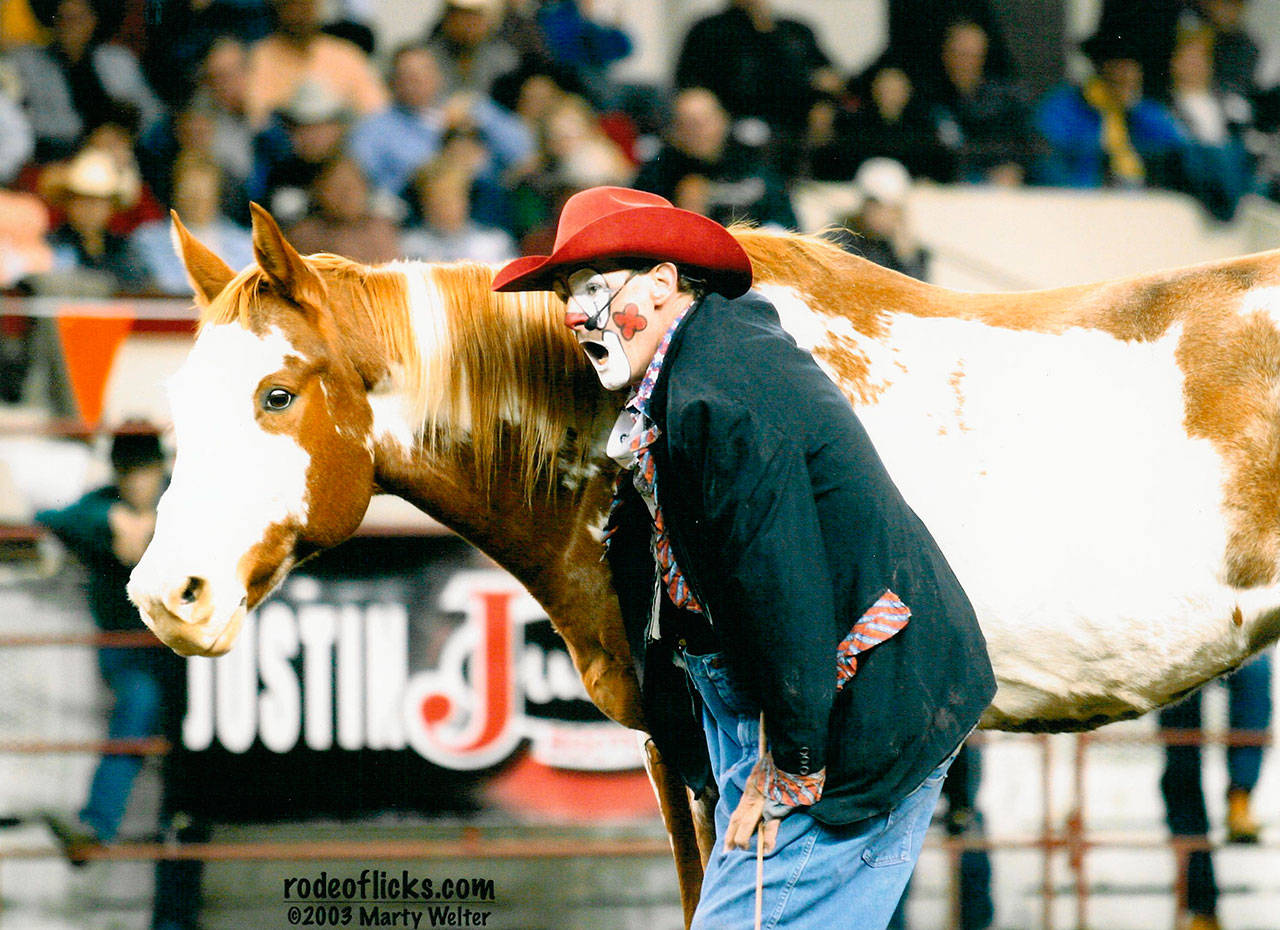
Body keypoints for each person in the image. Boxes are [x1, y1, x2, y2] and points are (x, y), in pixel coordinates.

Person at [491, 186, 996, 928]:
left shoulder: (718, 392)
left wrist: (794, 764)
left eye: (594, 289)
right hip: (797, 706)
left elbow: (780, 585)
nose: (573, 314)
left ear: (663, 283)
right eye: (567, 295)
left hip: (844, 718)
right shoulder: (698, 368)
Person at [37, 427, 182, 860]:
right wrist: (109, 521)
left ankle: (100, 829)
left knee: (183, 763)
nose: (139, 482)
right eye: (129, 472)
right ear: (118, 473)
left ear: (160, 469)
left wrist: (159, 529)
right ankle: (99, 827)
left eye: (146, 470)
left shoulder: (185, 498)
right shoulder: (100, 506)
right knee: (142, 703)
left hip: (187, 656)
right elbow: (51, 519)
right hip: (138, 655)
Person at [1159, 653, 1272, 930]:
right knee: (1181, 771)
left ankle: (1240, 797)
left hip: (1224, 627)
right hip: (1173, 642)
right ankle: (1201, 909)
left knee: (1256, 667)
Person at [8, 0, 165, 161]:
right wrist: (90, 140)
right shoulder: (27, 62)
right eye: (63, 18)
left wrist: (122, 136)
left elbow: (153, 113)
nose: (69, 26)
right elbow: (22, 123)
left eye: (78, 18)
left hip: (120, 154)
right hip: (58, 156)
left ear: (94, 21)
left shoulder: (119, 60)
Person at [1034, 30, 1186, 190]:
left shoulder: (1145, 112)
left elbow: (1178, 154)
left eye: (1133, 68)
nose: (1128, 76)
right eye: (1120, 67)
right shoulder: (1062, 108)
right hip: (1084, 200)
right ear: (1100, 67)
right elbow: (1047, 165)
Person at [634, 87, 796, 229]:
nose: (699, 132)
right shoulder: (659, 171)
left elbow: (786, 224)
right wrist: (681, 215)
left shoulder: (750, 162)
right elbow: (636, 225)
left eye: (705, 121)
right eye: (688, 124)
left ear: (723, 120)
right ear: (674, 130)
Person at [242, 0, 388, 130]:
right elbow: (258, 119)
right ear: (277, 8)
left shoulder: (346, 54)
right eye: (291, 5)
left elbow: (376, 114)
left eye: (305, 4)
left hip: (343, 147)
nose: (299, 13)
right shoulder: (258, 57)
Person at [927, 18, 1035, 186]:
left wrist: (1014, 167)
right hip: (944, 189)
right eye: (960, 54)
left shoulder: (1006, 100)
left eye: (974, 55)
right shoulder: (928, 99)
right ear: (946, 54)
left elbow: (1028, 144)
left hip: (996, 189)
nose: (966, 63)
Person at [40, 145, 152, 292]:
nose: (90, 208)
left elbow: (138, 286)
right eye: (82, 199)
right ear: (68, 203)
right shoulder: (51, 243)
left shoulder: (123, 247)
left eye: (98, 201)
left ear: (111, 207)